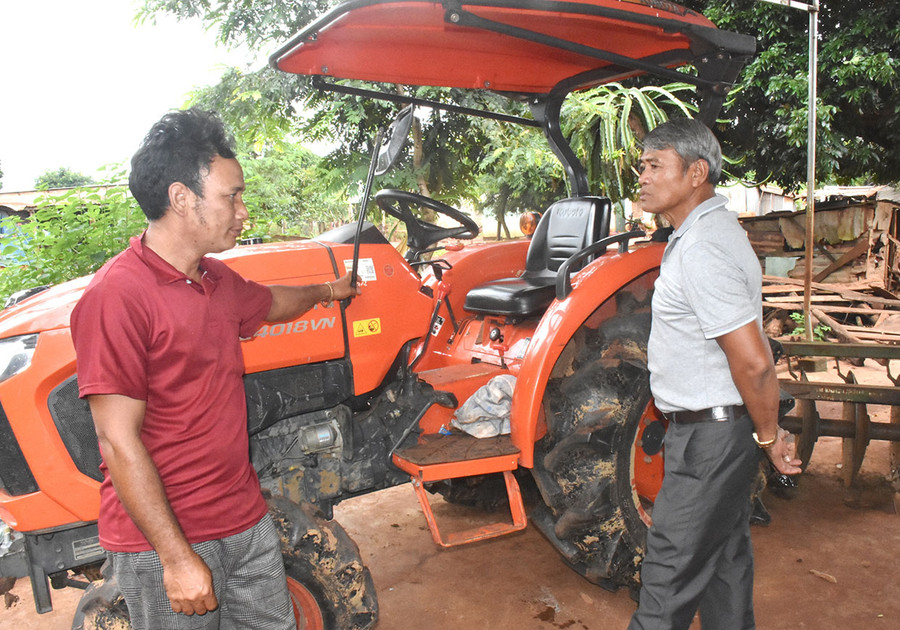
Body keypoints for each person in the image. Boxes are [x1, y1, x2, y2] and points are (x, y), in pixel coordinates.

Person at [70, 108, 358, 629]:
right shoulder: (117, 297)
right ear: (182, 198)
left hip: (243, 519)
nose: (243, 211)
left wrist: (326, 292)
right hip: (166, 539)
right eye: (232, 196)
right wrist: (177, 559)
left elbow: (270, 302)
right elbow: (116, 441)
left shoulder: (214, 280)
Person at [629, 119, 802, 630]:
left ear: (696, 172)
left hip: (711, 439)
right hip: (712, 432)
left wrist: (768, 436)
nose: (642, 176)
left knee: (665, 581)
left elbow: (753, 361)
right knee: (724, 572)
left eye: (655, 165)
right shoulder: (697, 236)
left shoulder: (705, 246)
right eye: (642, 165)